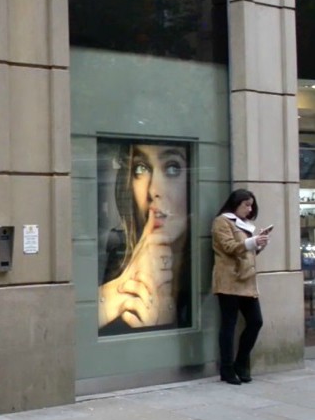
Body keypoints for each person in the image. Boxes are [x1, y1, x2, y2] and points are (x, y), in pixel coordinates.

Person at [99, 143, 190, 333]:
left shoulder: (203, 273)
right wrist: (114, 294)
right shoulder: (117, 253)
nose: (153, 190)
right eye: (141, 169)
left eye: (173, 168)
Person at [212, 189, 269, 385]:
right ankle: (227, 368)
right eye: (246, 205)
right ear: (235, 204)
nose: (249, 209)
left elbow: (247, 252)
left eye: (251, 205)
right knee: (229, 325)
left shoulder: (245, 224)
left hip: (247, 280)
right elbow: (229, 247)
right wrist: (253, 242)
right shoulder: (222, 221)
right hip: (229, 280)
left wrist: (259, 245)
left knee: (256, 321)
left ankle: (240, 363)